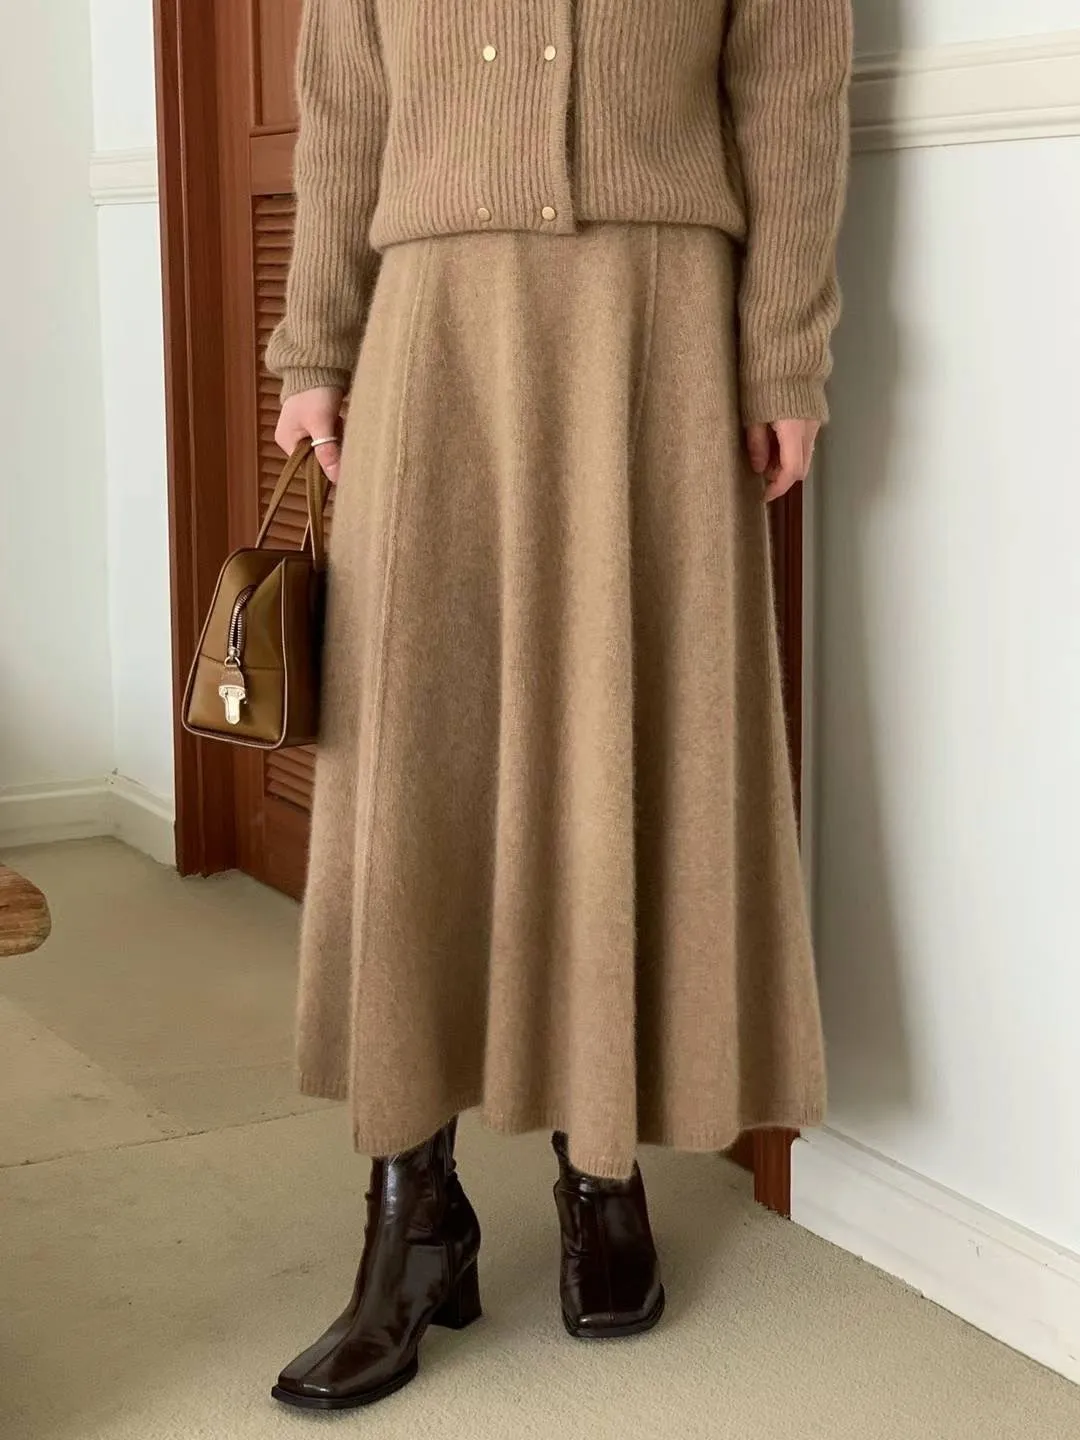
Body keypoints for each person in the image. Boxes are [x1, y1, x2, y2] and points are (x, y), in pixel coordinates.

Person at [266, 0, 853, 1413]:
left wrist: (785, 348)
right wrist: (315, 346)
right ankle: (412, 1211)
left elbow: (789, 84)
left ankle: (604, 1168)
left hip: (654, 322)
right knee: (411, 760)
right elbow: (345, 105)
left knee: (625, 739)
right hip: (434, 330)